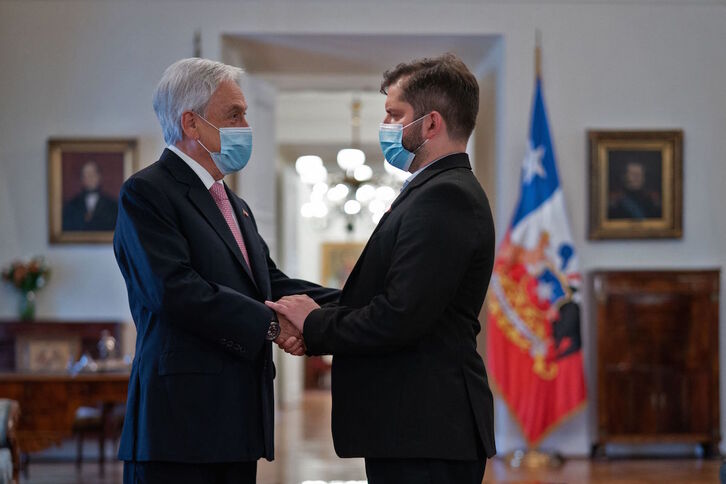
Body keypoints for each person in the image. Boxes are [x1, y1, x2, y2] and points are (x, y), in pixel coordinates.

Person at [267, 53, 497, 484]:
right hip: (414, 427)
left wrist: (315, 326)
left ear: (430, 124)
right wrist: (295, 301)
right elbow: (377, 299)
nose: (387, 126)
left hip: (426, 429)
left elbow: (399, 316)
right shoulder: (433, 190)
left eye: (395, 115)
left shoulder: (445, 197)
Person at [113, 58, 338, 484]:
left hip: (235, 423)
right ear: (191, 124)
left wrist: (356, 299)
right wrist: (273, 325)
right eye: (234, 114)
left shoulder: (236, 206)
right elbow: (174, 290)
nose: (245, 125)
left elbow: (270, 283)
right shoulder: (147, 193)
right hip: (178, 427)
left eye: (245, 114)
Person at [62, 160, 118, 231]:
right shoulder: (72, 204)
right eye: (86, 175)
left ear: (99, 177)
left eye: (93, 174)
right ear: (81, 179)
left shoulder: (112, 205)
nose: (90, 178)